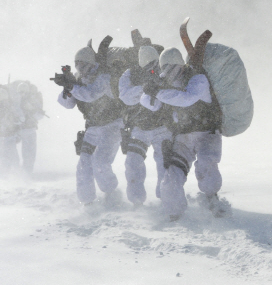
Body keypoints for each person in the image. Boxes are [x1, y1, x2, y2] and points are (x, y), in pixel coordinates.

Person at [141, 47, 228, 221]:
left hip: (207, 134)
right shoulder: (165, 84)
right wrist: (149, 91)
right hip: (182, 138)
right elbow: (149, 104)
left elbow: (187, 98)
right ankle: (175, 216)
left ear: (180, 65)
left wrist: (157, 92)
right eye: (164, 68)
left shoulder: (198, 78)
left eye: (170, 66)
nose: (167, 72)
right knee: (171, 177)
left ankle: (213, 202)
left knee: (207, 167)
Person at [54, 45, 124, 205]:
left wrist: (72, 86)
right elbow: (67, 104)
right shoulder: (78, 80)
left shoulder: (104, 77)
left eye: (83, 64)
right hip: (92, 128)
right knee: (84, 165)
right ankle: (87, 202)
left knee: (100, 162)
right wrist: (67, 86)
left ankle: (111, 193)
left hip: (112, 127)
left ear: (92, 64)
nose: (80, 68)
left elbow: (91, 94)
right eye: (77, 65)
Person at [118, 46, 172, 207]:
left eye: (154, 64)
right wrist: (144, 88)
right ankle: (136, 201)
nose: (152, 69)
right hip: (139, 128)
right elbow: (125, 97)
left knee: (165, 164)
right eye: (148, 66)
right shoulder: (130, 74)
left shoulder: (166, 70)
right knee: (132, 163)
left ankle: (167, 198)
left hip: (162, 127)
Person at [12, 81, 45, 174]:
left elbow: (39, 115)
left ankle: (26, 172)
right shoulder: (16, 101)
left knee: (29, 153)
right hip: (20, 130)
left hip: (29, 129)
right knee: (17, 151)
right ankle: (19, 171)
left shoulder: (32, 101)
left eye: (23, 92)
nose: (22, 94)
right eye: (20, 92)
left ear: (27, 92)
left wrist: (33, 111)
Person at [0, 86, 20, 175]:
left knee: (12, 157)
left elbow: (18, 120)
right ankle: (5, 175)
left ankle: (16, 175)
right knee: (6, 157)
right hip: (5, 136)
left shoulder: (11, 107)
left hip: (9, 135)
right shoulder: (10, 107)